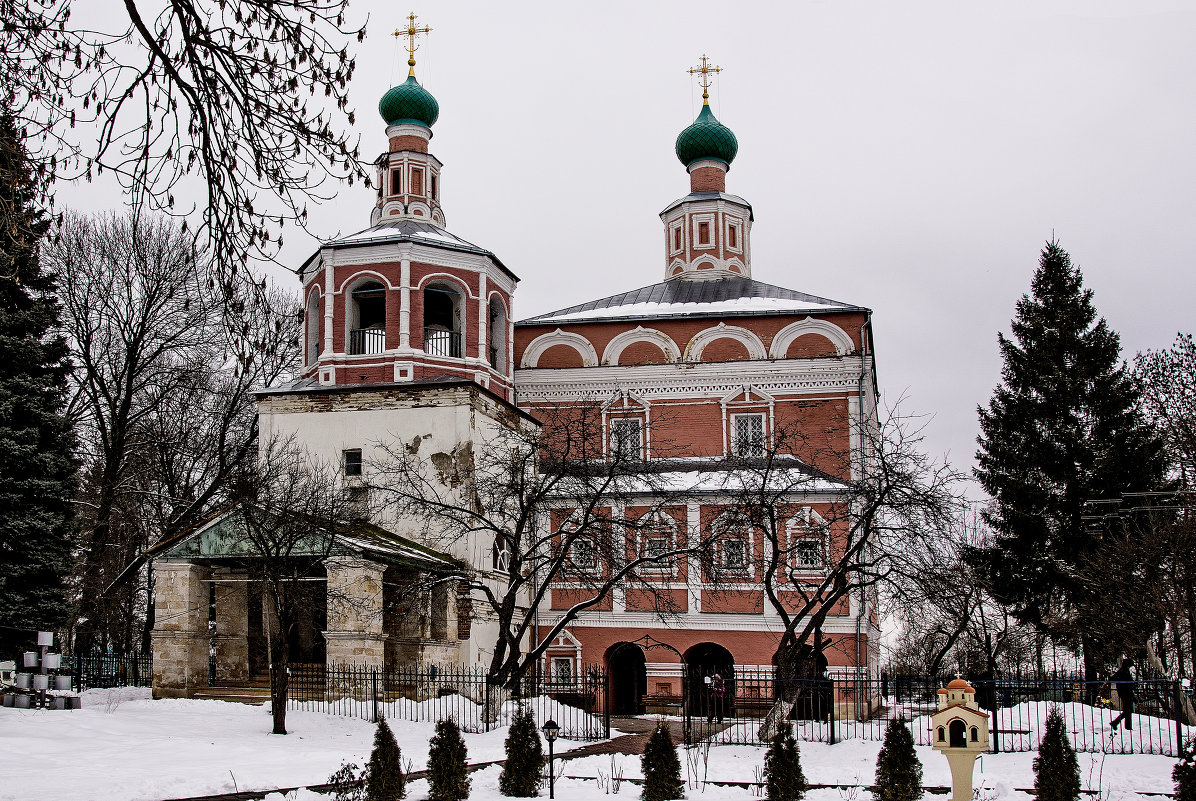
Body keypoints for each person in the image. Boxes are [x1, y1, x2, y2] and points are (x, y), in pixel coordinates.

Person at [1110, 658, 1135, 731]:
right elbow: (1113, 679)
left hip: (1125, 692)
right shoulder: (1124, 671)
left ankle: (1123, 725)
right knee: (1128, 710)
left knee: (1128, 710)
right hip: (1126, 693)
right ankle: (1118, 723)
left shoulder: (1123, 670)